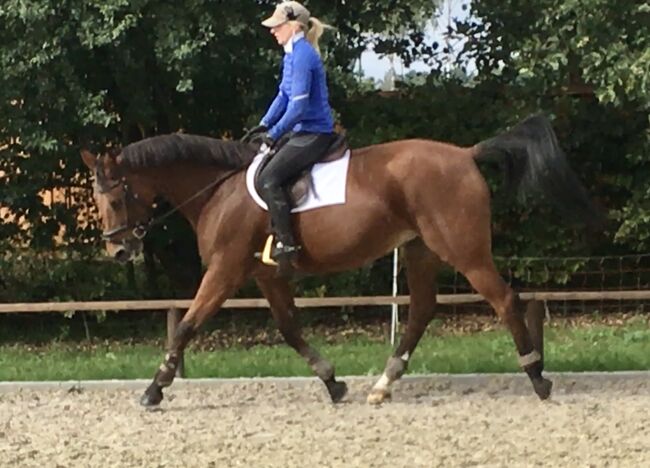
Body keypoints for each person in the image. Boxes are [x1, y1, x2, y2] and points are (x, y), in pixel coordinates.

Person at [243, 1, 337, 274]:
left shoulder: (304, 55)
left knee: (268, 178)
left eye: (277, 26)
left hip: (314, 133)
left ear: (294, 26)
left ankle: (287, 244)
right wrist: (262, 124)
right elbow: (283, 97)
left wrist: (273, 135)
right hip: (300, 131)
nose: (273, 31)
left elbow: (297, 107)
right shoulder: (291, 54)